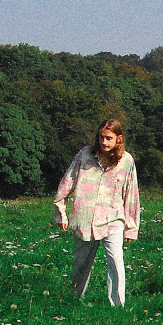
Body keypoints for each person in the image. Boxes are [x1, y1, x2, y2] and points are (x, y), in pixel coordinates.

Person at [53, 119, 140, 306]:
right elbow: (67, 182)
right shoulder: (85, 155)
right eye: (101, 137)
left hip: (113, 219)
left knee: (116, 261)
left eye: (109, 138)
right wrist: (61, 212)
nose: (104, 142)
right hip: (84, 218)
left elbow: (131, 194)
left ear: (119, 139)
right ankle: (75, 300)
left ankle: (117, 306)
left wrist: (131, 228)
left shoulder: (126, 161)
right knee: (81, 263)